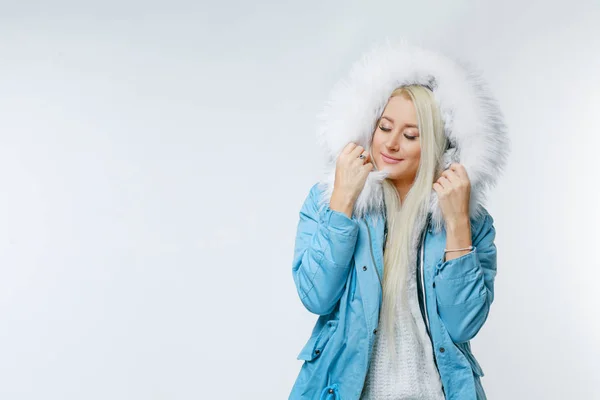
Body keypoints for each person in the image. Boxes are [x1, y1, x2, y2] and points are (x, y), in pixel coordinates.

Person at [289, 39, 510, 400]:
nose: (390, 144)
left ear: (439, 145)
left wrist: (456, 225)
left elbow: (463, 324)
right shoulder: (327, 201)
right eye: (384, 127)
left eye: (410, 135)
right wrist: (343, 201)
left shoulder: (470, 220)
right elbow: (315, 296)